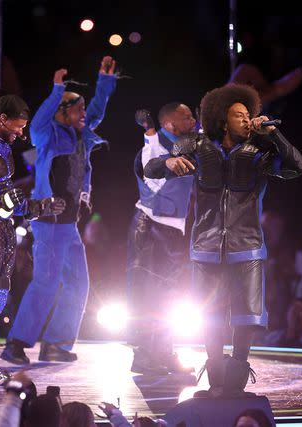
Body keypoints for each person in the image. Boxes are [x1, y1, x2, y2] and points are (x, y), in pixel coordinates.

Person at [144, 84, 302, 397]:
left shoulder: (260, 152)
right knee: (209, 314)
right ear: (221, 118)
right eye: (239, 115)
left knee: (246, 314)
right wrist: (167, 163)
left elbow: (297, 167)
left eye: (249, 115)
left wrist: (273, 134)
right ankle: (216, 377)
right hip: (205, 246)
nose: (246, 120)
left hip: (247, 246)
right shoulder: (197, 143)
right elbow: (149, 167)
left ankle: (237, 377)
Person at [1, 56, 118, 364]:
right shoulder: (47, 135)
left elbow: (96, 110)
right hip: (48, 222)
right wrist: (56, 90)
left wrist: (104, 82)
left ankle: (56, 343)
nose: (84, 114)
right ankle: (16, 343)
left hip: (69, 225)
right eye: (77, 110)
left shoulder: (81, 132)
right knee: (47, 283)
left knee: (79, 283)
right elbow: (39, 119)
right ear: (63, 113)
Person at [0, 95, 64, 378]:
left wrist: (36, 207)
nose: (21, 133)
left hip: (1, 228)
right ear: (3, 120)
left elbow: (4, 195)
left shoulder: (3, 146)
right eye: (18, 127)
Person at [127, 104, 196, 374]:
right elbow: (150, 164)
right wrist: (166, 160)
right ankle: (144, 354)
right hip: (151, 227)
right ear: (170, 125)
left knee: (171, 294)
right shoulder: (156, 145)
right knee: (148, 294)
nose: (193, 120)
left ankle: (164, 352)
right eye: (187, 117)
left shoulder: (189, 147)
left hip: (173, 229)